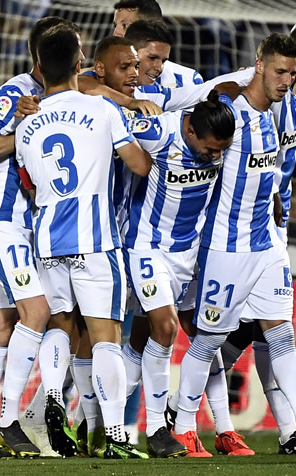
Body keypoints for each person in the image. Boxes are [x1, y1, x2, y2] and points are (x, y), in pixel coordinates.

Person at [172, 33, 296, 458]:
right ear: (258, 65)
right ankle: (181, 427)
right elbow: (186, 122)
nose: (288, 81)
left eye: (292, 73)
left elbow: (269, 168)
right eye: (280, 72)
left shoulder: (275, 114)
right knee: (207, 342)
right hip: (225, 248)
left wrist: (271, 196)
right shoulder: (229, 110)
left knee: (282, 336)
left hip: (267, 243)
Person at [15, 24, 152, 460]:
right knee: (106, 335)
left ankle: (53, 395)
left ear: (40, 67)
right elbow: (140, 166)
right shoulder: (101, 110)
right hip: (96, 238)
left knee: (60, 325)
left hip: (49, 240)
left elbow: (32, 185)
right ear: (80, 64)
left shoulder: (25, 124)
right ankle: (114, 435)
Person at [0, 16, 79, 460]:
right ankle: (9, 423)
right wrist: (22, 129)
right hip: (1, 218)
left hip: (26, 226)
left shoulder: (65, 93)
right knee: (38, 309)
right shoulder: (17, 92)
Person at [121, 92, 236, 458]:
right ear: (189, 129)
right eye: (210, 149)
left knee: (141, 340)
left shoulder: (219, 129)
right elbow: (107, 121)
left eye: (222, 150)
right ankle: (157, 428)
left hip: (188, 256)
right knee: (167, 328)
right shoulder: (160, 130)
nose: (216, 156)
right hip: (146, 247)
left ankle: (91, 420)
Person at [112, 0, 204, 88]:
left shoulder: (189, 80)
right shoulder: (103, 77)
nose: (116, 34)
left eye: (125, 26)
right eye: (115, 26)